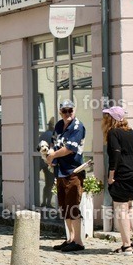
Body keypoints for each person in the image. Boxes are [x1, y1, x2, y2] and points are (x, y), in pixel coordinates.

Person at [103, 106, 133, 254]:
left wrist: (111, 175)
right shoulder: (131, 132)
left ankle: (126, 245)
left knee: (121, 210)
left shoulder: (113, 132)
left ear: (111, 119)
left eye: (106, 116)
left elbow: (115, 154)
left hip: (123, 174)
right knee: (129, 207)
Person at [46, 100, 87, 252]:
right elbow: (53, 142)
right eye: (65, 111)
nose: (68, 113)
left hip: (73, 171)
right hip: (60, 171)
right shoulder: (58, 125)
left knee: (73, 206)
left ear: (74, 110)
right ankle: (70, 238)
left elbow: (70, 148)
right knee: (64, 207)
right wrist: (50, 155)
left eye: (70, 110)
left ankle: (78, 241)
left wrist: (53, 156)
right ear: (60, 112)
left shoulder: (77, 126)